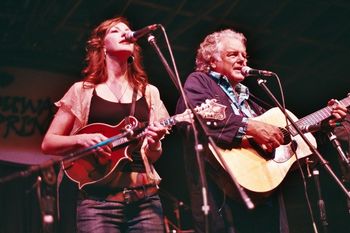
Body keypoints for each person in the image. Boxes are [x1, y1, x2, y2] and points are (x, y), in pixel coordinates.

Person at [175, 28, 347, 233]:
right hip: (222, 194)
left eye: (244, 55)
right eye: (233, 54)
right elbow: (195, 118)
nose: (242, 60)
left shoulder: (252, 101)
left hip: (263, 190)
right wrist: (249, 126)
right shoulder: (200, 82)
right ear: (212, 61)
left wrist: (324, 124)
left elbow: (285, 137)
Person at [41, 16, 169, 233]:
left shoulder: (149, 92)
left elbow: (153, 155)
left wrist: (155, 142)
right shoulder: (81, 90)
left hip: (145, 201)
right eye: (115, 31)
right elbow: (48, 143)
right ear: (102, 46)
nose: (125, 33)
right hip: (97, 202)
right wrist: (82, 139)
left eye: (127, 30)